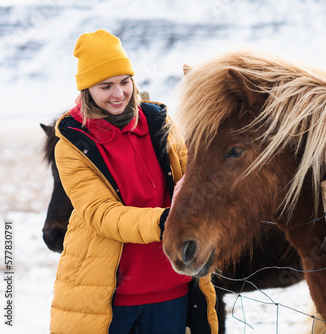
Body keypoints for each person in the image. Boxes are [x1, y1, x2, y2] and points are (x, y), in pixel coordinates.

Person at [50, 29, 218, 334]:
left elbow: (192, 174)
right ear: (87, 90)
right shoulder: (73, 143)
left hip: (172, 291)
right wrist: (167, 221)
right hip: (109, 298)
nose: (119, 94)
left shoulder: (159, 123)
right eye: (106, 86)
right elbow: (101, 214)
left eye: (125, 82)